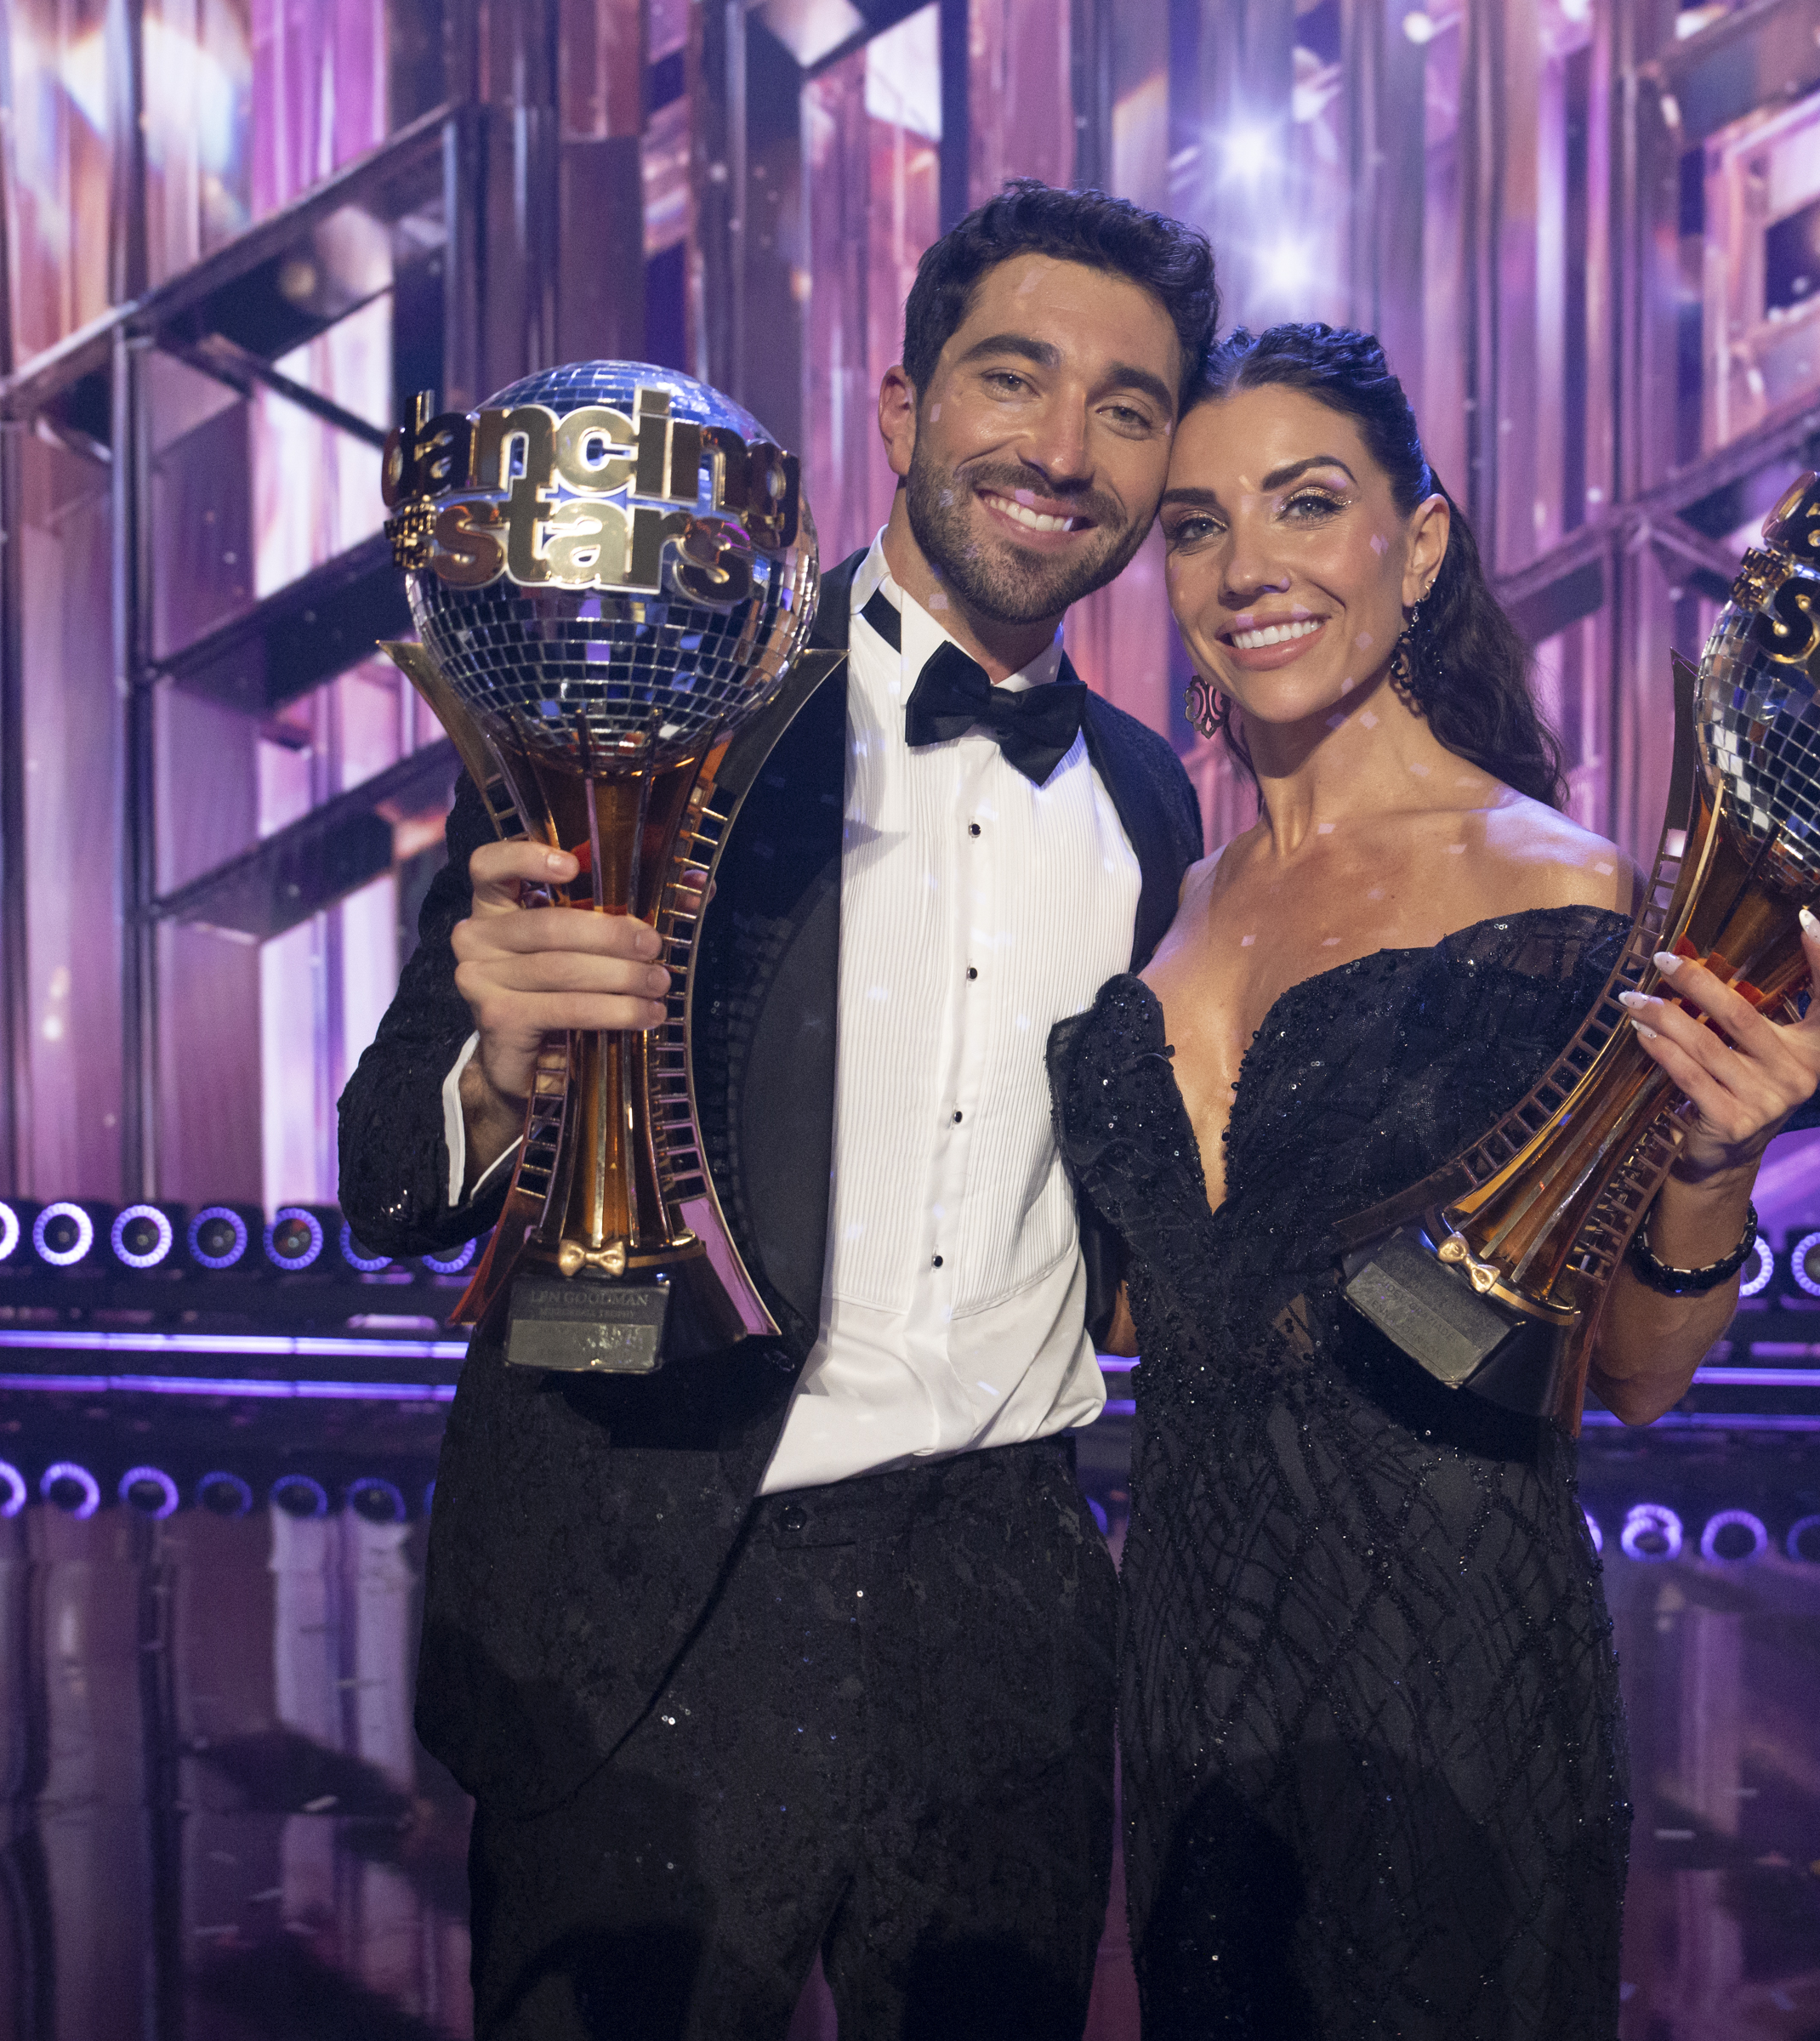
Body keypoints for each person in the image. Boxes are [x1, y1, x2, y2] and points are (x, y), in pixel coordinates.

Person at [338, 182, 1216, 2039]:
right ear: (900, 411)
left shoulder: (1152, 805)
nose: (1061, 449)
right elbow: (386, 1177)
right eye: (1014, 378)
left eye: (1127, 408)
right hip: (654, 1592)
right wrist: (495, 1070)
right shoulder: (651, 679)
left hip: (1006, 1623)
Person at [1048, 324, 1820, 2038]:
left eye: (1306, 504)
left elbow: (1641, 1380)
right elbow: (1153, 1307)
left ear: (1415, 545)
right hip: (1191, 1693)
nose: (1248, 567)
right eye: (1200, 523)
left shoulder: (1569, 909)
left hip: (1444, 1694)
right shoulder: (1164, 898)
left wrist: (1717, 1158)